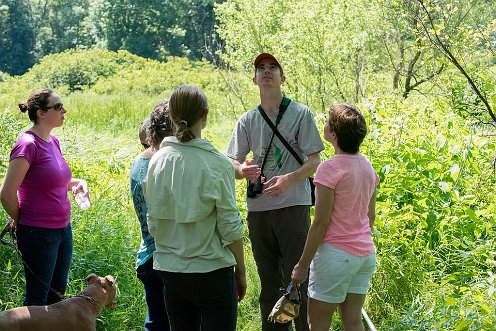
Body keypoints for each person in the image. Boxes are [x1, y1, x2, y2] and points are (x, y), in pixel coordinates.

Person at [227, 53, 324, 331]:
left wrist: (289, 180)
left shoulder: (301, 113)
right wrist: (241, 170)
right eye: (260, 68)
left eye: (272, 68)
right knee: (269, 284)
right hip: (259, 211)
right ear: (254, 79)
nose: (266, 72)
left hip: (294, 205)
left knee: (298, 279)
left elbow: (314, 161)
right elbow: (231, 160)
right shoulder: (246, 120)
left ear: (283, 77)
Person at [143, 85, 246, 331]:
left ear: (172, 116)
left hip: (171, 271)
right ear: (205, 115)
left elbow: (153, 223)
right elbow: (230, 228)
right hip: (211, 272)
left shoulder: (157, 160)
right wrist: (241, 271)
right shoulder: (217, 163)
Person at [291, 104, 379, 331]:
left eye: (328, 121)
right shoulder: (368, 167)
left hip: (335, 257)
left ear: (334, 134)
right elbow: (370, 217)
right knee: (353, 322)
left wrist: (302, 266)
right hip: (364, 256)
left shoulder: (329, 168)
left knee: (318, 324)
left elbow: (320, 222)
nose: (325, 124)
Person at [0, 88, 90, 306]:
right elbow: (6, 193)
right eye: (58, 106)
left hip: (62, 230)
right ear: (41, 113)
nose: (64, 110)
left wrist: (77, 183)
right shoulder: (27, 144)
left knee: (57, 296)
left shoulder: (53, 141)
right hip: (38, 233)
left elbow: (52, 180)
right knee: (38, 300)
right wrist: (22, 220)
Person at [130, 100, 174, 331]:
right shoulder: (166, 164)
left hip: (147, 255)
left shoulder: (138, 162)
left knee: (156, 323)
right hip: (170, 256)